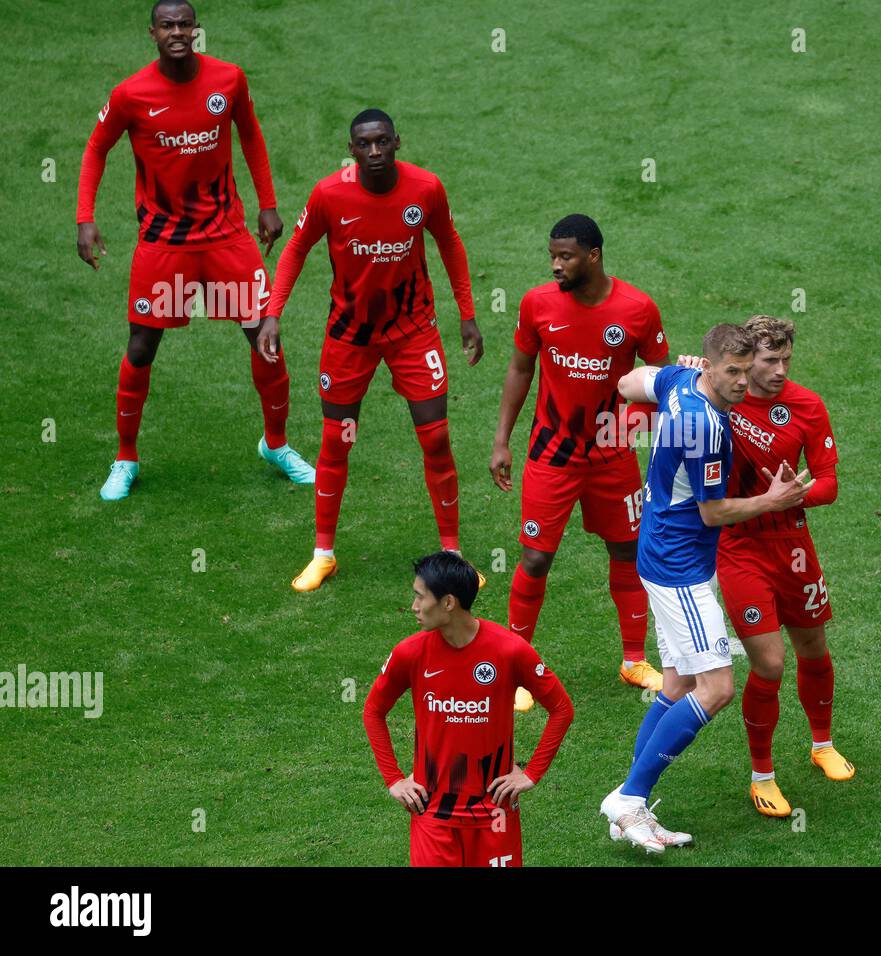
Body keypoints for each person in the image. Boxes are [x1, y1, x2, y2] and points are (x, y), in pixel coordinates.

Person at [77, 0, 313, 501]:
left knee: (265, 338)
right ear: (152, 33)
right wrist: (85, 219)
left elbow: (250, 133)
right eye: (168, 25)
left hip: (227, 238)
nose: (178, 32)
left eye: (186, 24)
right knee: (142, 346)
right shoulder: (130, 94)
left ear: (196, 30)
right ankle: (126, 457)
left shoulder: (228, 79)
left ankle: (276, 445)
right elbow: (97, 148)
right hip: (164, 243)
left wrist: (268, 205)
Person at [598, 325, 810, 853]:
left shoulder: (680, 382)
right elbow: (714, 511)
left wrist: (682, 374)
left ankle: (632, 801)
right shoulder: (706, 428)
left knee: (674, 684)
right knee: (715, 689)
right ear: (713, 367)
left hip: (658, 545)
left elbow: (627, 383)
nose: (742, 382)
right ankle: (628, 799)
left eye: (746, 371)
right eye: (732, 372)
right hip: (680, 565)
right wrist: (774, 499)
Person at [259, 109, 484, 592]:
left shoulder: (425, 189)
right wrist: (274, 312)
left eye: (383, 141)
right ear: (353, 148)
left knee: (436, 439)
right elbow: (297, 247)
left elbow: (450, 243)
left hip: (413, 332)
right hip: (349, 337)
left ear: (397, 141)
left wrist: (466, 315)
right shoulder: (329, 194)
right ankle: (323, 554)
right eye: (366, 144)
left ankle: (453, 554)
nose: (376, 151)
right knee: (336, 441)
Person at [489, 215, 667, 711]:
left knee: (628, 552)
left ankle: (633, 660)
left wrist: (637, 433)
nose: (555, 265)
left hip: (613, 457)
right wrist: (502, 441)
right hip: (552, 454)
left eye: (565, 256)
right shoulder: (537, 304)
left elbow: (659, 381)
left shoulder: (638, 310)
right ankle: (517, 666)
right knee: (534, 557)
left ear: (593, 255)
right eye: (552, 255)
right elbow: (520, 368)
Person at [715, 315, 853, 818]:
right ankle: (762, 775)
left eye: (786, 360)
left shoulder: (807, 405)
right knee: (769, 663)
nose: (779, 370)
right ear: (746, 360)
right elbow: (641, 395)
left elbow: (829, 485)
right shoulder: (719, 400)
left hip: (793, 545)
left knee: (813, 646)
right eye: (770, 361)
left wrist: (787, 497)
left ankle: (822, 745)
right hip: (739, 547)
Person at [363, 552, 573, 867]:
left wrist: (532, 774)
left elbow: (561, 708)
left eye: (421, 597)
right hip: (432, 813)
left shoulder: (510, 650)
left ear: (448, 603)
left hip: (495, 814)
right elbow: (373, 711)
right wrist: (394, 779)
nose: (414, 607)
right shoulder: (410, 654)